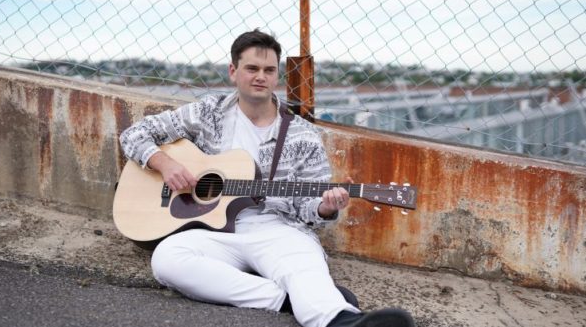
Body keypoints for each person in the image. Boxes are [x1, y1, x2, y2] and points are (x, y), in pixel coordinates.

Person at [119, 29, 415, 327]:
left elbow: (309, 209)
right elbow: (134, 135)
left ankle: (341, 320)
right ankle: (287, 299)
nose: (261, 76)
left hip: (277, 228)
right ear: (233, 71)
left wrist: (325, 207)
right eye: (252, 68)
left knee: (303, 265)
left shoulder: (302, 134)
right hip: (214, 232)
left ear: (277, 76)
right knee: (167, 259)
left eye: (269, 70)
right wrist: (165, 164)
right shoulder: (207, 112)